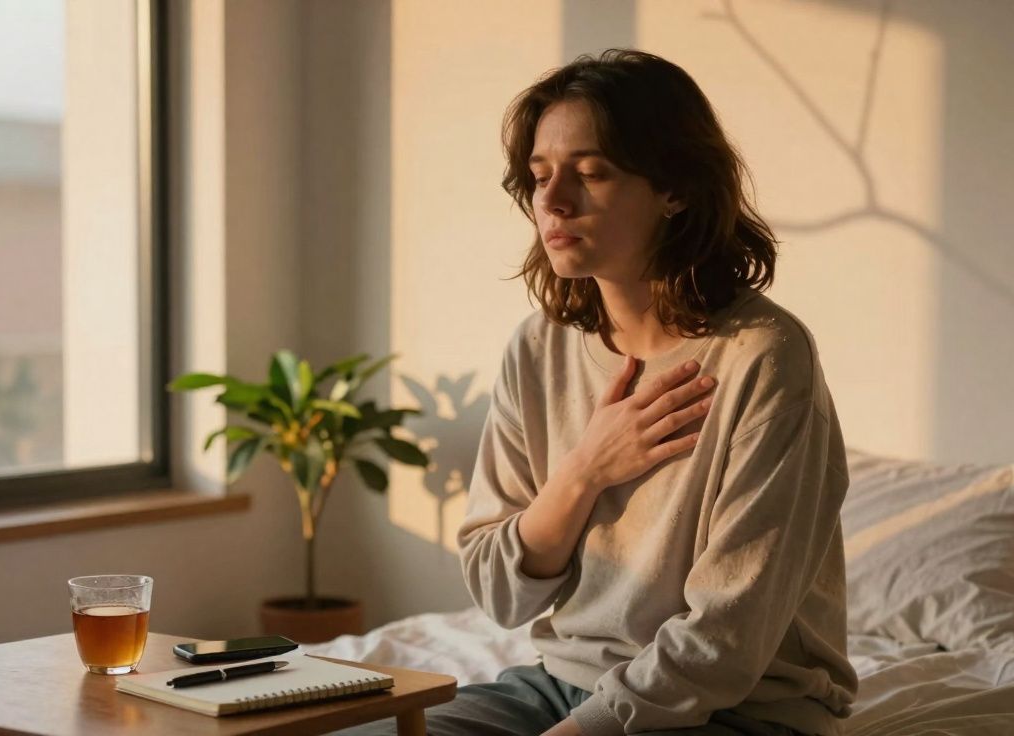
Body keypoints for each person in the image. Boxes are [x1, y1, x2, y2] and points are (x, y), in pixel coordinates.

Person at [338, 49, 857, 736]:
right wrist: (585, 469)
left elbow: (727, 637)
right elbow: (499, 590)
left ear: (673, 188)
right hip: (558, 685)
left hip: (742, 709)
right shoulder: (538, 347)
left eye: (591, 173)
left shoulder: (763, 355)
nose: (552, 202)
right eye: (539, 176)